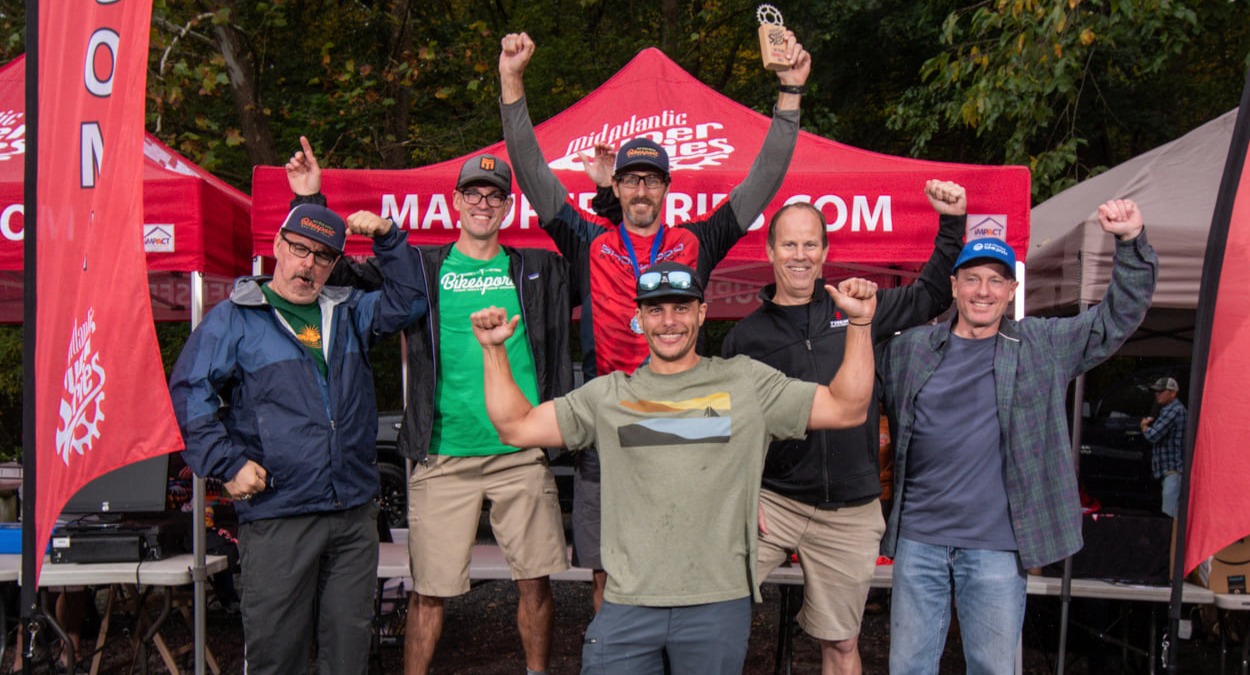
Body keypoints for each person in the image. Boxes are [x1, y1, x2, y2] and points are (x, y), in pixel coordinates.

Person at [499, 30, 811, 609]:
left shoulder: (696, 242)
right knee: (607, 572)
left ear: (666, 187)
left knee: (688, 553)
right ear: (616, 187)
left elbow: (763, 181)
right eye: (631, 179)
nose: (641, 190)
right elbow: (532, 171)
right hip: (611, 420)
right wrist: (511, 83)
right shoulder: (587, 240)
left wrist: (789, 97)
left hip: (685, 418)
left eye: (651, 179)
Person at [470, 261, 878, 673]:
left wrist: (860, 325)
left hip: (716, 605)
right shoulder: (609, 397)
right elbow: (515, 426)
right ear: (639, 319)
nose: (669, 321)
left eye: (681, 308)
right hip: (628, 606)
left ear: (702, 314)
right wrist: (493, 350)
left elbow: (847, 407)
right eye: (656, 310)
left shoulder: (746, 384)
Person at [284, 139, 574, 675]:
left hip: (521, 450)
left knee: (535, 582)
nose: (483, 204)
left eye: (495, 195)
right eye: (473, 193)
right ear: (455, 201)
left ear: (509, 206)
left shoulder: (540, 270)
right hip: (441, 453)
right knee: (428, 591)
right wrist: (310, 199)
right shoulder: (420, 267)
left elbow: (602, 257)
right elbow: (336, 276)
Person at [879, 198, 1158, 674]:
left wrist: (1130, 243)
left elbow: (1116, 319)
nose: (983, 291)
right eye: (972, 278)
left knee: (993, 668)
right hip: (918, 542)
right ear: (954, 286)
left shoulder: (1041, 346)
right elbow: (855, 374)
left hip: (996, 548)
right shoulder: (911, 350)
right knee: (908, 668)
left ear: (1011, 290)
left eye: (996, 280)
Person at [720, 180, 967, 675]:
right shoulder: (744, 338)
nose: (800, 255)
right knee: (712, 608)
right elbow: (726, 431)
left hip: (850, 511)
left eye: (810, 244)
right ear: (770, 251)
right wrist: (740, 495)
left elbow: (933, 294)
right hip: (773, 501)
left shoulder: (859, 309)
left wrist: (952, 222)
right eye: (789, 244)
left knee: (841, 642)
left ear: (825, 251)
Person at [169, 200, 427, 675]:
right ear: (278, 246)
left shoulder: (349, 313)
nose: (308, 264)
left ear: (334, 264)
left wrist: (388, 237)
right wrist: (226, 464)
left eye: (323, 256)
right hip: (278, 513)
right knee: (276, 657)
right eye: (299, 249)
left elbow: (411, 300)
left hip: (352, 516)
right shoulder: (236, 318)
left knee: (348, 658)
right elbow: (187, 394)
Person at [1142, 376, 1186, 518]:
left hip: (1172, 470)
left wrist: (1144, 427)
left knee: (1171, 514)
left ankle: (1174, 533)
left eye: (1161, 391)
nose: (1157, 394)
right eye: (1156, 391)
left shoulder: (1174, 410)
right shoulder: (1167, 409)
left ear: (1173, 393)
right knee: (1170, 511)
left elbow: (1153, 435)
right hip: (1168, 472)